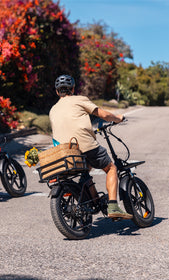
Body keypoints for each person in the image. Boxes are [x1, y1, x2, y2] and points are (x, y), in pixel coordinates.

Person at [49, 74, 133, 219]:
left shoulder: (53, 109)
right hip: (85, 145)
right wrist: (118, 118)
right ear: (73, 89)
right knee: (111, 168)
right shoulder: (79, 99)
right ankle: (113, 206)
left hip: (65, 151)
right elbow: (103, 115)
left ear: (57, 92)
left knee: (85, 168)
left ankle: (91, 198)